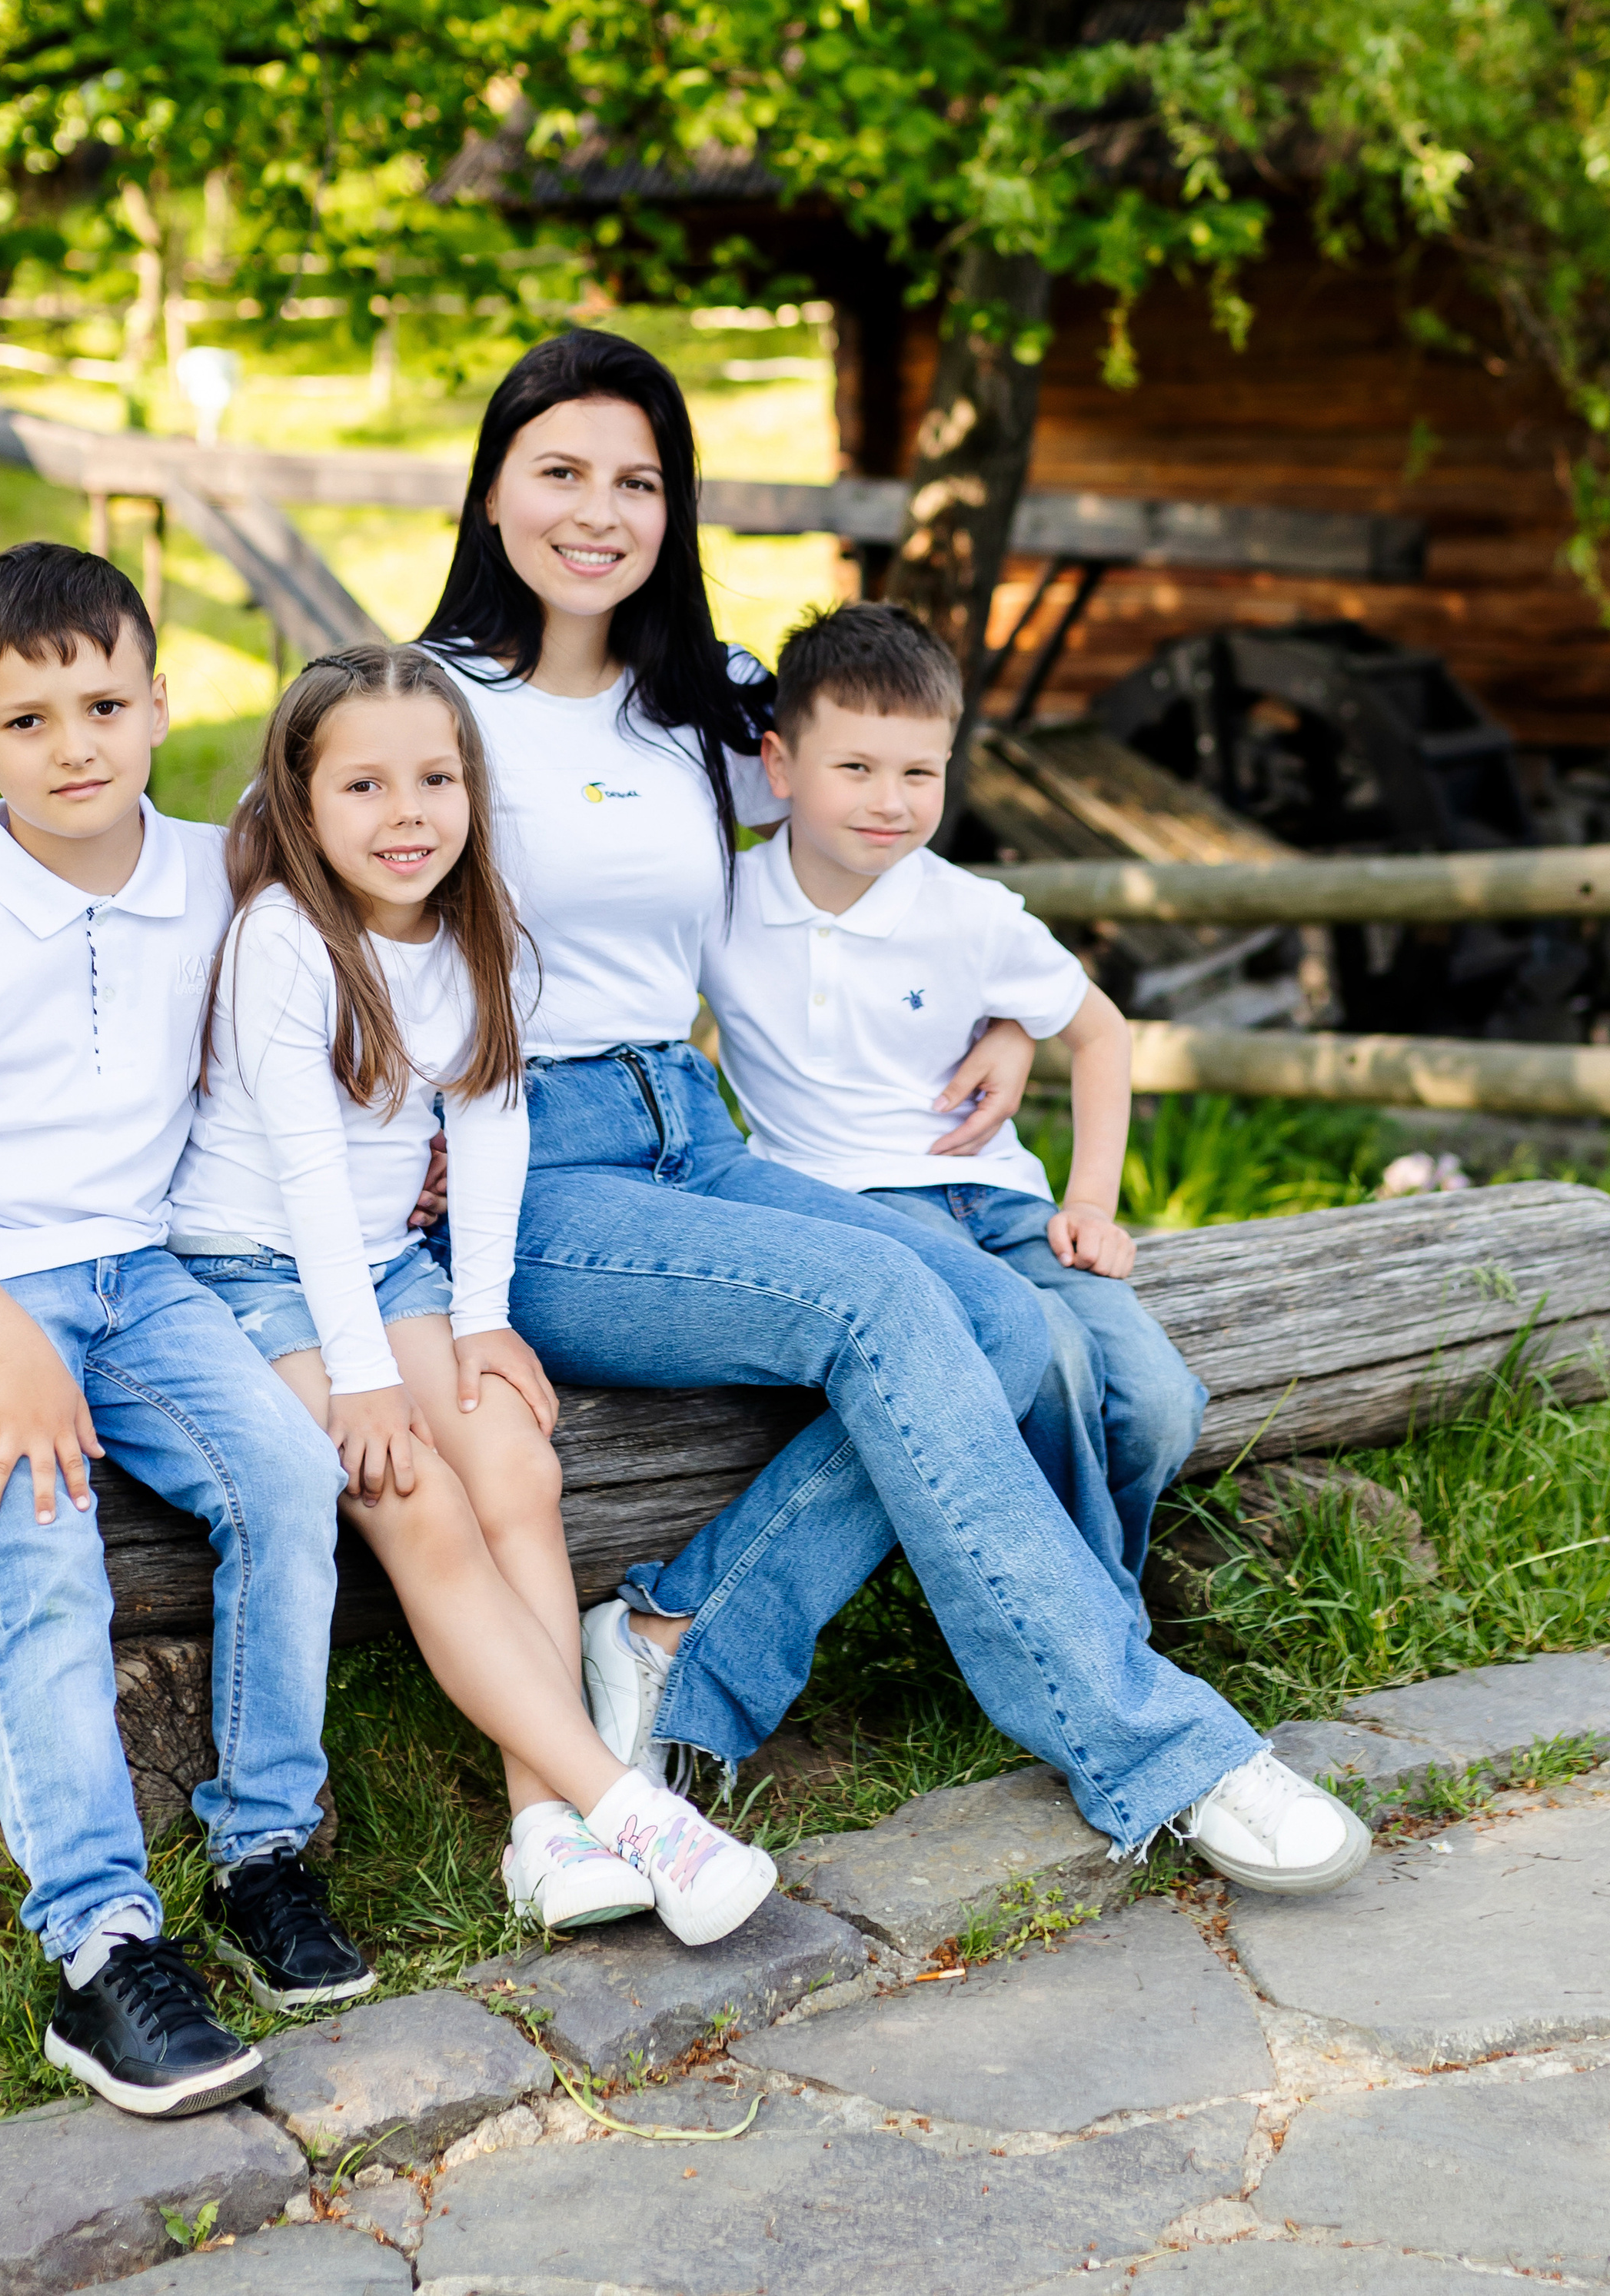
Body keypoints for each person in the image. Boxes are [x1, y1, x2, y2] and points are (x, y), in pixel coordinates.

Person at [420, 327, 1371, 1897]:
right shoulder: (421, 703)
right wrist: (367, 1155)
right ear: (491, 488)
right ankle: (1163, 1750)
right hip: (522, 1160)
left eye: (637, 478)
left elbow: (871, 845)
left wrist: (1010, 1008)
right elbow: (286, 935)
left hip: (693, 1128)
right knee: (879, 1289)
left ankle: (670, 1631)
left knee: (999, 1327)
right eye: (560, 470)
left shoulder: (703, 705)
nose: (597, 510)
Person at [0, 542, 371, 2122]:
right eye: (28, 716)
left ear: (155, 700)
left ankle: (263, 1843)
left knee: (285, 1478)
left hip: (140, 1272)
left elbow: (394, 928)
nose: (73, 743)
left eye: (103, 702)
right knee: (41, 1545)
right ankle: (100, 1944)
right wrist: (4, 1346)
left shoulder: (224, 876)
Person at [168, 641, 777, 1946]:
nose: (407, 817)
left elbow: (491, 1126)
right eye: (365, 787)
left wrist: (483, 1314)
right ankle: (629, 1804)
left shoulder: (472, 932)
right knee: (415, 1494)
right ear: (299, 800)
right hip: (250, 1268)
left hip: (389, 1264)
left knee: (515, 1464)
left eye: (435, 780)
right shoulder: (287, 938)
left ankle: (542, 1827)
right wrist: (372, 1375)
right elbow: (308, 1173)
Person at [697, 600, 1203, 1618]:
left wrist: (1092, 1203)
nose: (890, 801)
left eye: (919, 772)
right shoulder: (719, 903)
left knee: (1152, 1401)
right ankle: (1100, 1629)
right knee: (1046, 1353)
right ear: (781, 765)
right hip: (855, 1203)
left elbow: (1100, 1034)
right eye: (857, 768)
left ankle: (1060, 1589)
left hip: (1000, 1195)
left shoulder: (970, 912)